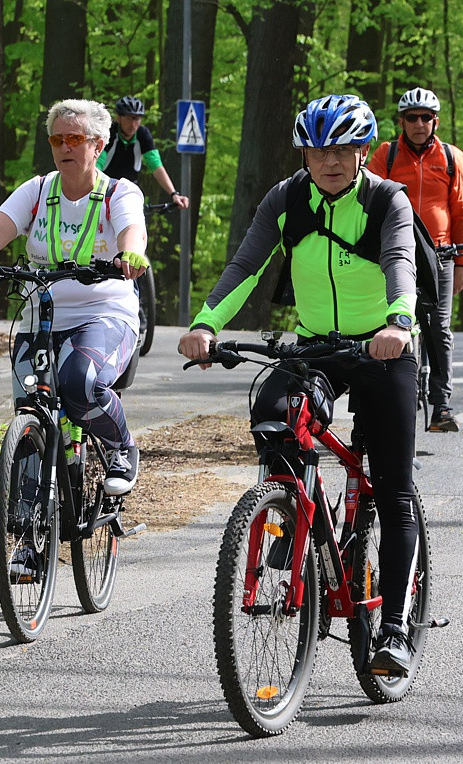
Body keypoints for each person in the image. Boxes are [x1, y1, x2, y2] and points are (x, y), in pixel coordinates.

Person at [178, 94, 420, 675]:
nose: (330, 160)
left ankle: (394, 631)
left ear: (363, 151)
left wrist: (399, 322)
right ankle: (288, 514)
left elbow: (399, 261)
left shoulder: (387, 200)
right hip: (316, 345)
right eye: (318, 149)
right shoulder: (286, 199)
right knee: (274, 409)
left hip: (381, 347)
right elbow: (247, 266)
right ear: (305, 153)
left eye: (342, 148)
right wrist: (206, 324)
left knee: (391, 486)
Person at [0, 99, 149, 510]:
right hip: (42, 317)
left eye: (75, 138)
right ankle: (27, 536)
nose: (64, 147)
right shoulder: (37, 191)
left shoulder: (118, 192)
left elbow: (132, 229)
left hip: (105, 314)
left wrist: (131, 254)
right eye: (57, 139)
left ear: (99, 145)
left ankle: (122, 447)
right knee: (30, 415)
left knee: (79, 382)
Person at [367, 87, 463, 433]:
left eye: (425, 117)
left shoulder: (451, 157)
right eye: (411, 117)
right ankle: (404, 396)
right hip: (399, 255)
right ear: (401, 121)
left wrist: (462, 263)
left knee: (439, 329)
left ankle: (441, 405)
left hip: (442, 256)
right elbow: (368, 201)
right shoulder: (387, 154)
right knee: (403, 325)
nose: (418, 123)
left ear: (435, 121)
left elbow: (462, 212)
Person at [97, 96, 191, 209]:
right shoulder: (110, 133)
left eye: (137, 119)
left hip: (128, 191)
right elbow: (98, 164)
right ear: (118, 118)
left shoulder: (143, 134)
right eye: (129, 118)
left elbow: (155, 164)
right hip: (105, 187)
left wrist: (174, 194)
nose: (133, 124)